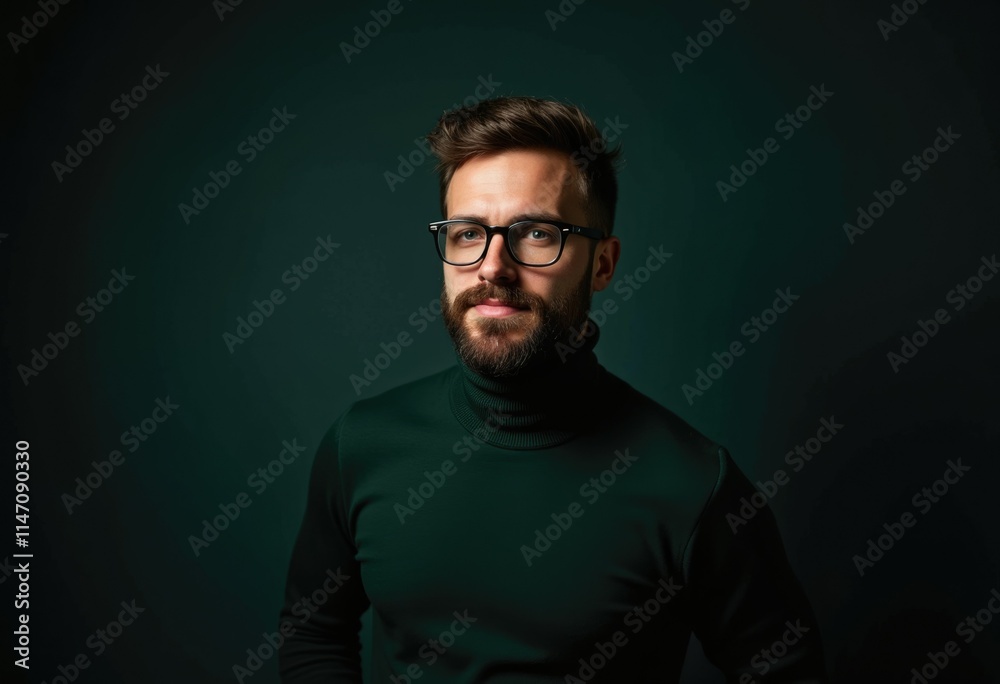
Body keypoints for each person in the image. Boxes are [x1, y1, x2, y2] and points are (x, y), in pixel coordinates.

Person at [278, 95, 828, 683]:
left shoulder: (692, 482)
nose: (492, 266)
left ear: (602, 265)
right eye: (467, 233)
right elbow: (313, 632)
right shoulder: (362, 445)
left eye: (537, 233)